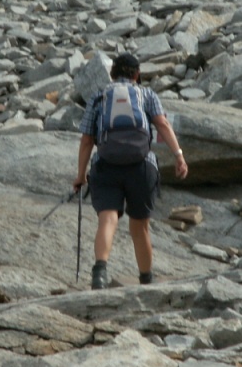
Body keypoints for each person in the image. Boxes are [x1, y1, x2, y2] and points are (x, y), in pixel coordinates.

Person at [73, 53, 188, 289]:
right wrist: (178, 155)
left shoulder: (99, 96)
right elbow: (162, 124)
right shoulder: (147, 94)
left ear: (112, 73)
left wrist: (81, 175)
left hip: (106, 165)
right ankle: (146, 279)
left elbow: (86, 140)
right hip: (142, 166)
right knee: (140, 226)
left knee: (108, 219)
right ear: (137, 74)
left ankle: (99, 273)